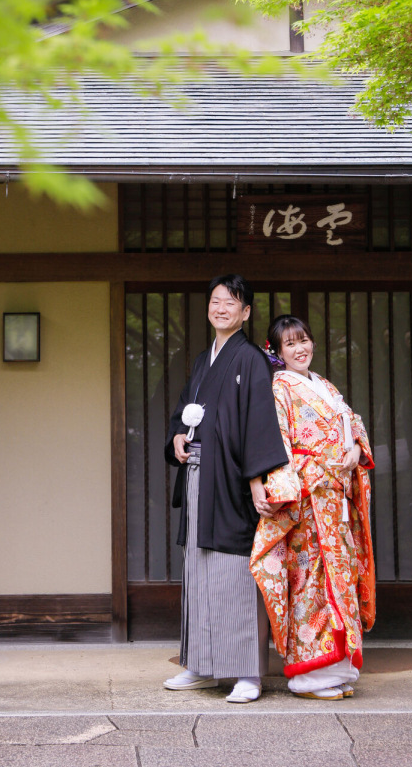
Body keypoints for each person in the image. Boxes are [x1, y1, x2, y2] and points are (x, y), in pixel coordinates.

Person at [163, 275, 288, 703]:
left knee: (235, 572)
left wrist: (257, 481)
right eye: (215, 301)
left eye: (230, 302)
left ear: (246, 312)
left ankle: (248, 673)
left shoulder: (251, 359)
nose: (221, 308)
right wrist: (177, 436)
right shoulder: (204, 360)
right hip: (200, 477)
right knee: (198, 570)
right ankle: (200, 666)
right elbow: (186, 410)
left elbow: (259, 422)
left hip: (233, 481)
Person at [250, 314, 375, 701]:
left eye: (303, 340)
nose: (300, 349)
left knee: (341, 578)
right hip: (307, 501)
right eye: (290, 344)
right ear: (277, 352)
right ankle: (309, 676)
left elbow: (352, 423)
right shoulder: (279, 388)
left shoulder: (324, 385)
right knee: (311, 581)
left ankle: (337, 669)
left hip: (335, 500)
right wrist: (309, 475)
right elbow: (277, 442)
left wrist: (354, 449)